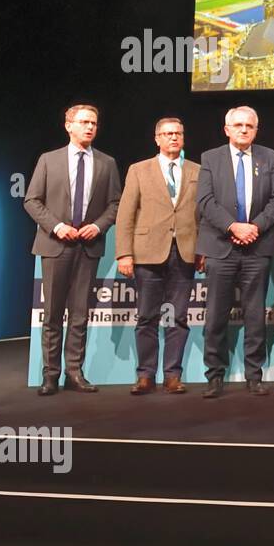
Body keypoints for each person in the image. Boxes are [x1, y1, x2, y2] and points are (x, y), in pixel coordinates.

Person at [24, 104, 122, 396]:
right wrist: (56, 226)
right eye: (83, 122)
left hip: (87, 247)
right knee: (53, 314)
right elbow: (31, 201)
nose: (90, 127)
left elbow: (115, 204)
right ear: (68, 126)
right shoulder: (48, 160)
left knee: (80, 314)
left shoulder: (107, 163)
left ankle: (74, 373)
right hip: (56, 246)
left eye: (93, 122)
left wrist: (99, 225)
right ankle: (50, 375)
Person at [196, 105, 274, 398]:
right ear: (227, 129)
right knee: (216, 315)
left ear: (256, 130)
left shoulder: (269, 156)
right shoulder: (210, 158)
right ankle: (214, 376)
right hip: (220, 246)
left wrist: (254, 228)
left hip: (257, 246)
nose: (244, 129)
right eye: (238, 125)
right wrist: (234, 227)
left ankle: (254, 375)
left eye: (249, 126)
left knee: (255, 315)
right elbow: (206, 201)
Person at [114, 116, 200, 395]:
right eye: (167, 133)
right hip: (147, 253)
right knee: (147, 317)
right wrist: (124, 253)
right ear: (157, 138)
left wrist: (203, 251)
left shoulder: (197, 170)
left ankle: (173, 375)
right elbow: (126, 214)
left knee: (178, 318)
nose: (173, 137)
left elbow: (204, 216)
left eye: (178, 133)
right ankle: (145, 375)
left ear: (183, 137)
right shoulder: (139, 170)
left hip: (185, 253)